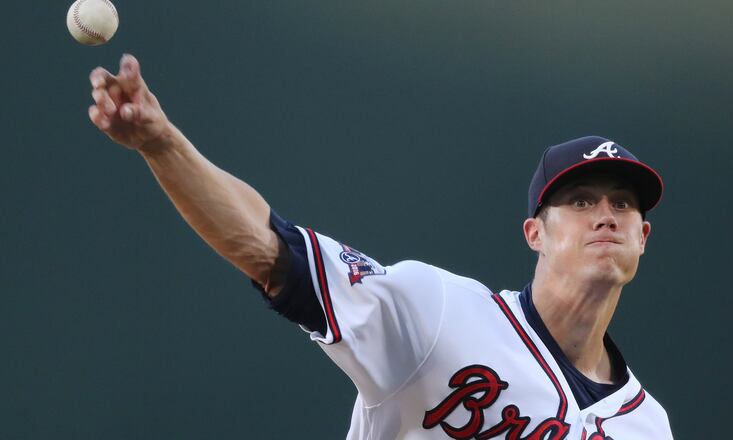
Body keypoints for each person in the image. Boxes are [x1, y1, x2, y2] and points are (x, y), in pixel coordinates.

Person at [88, 54, 673, 439]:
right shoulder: (438, 312)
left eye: (623, 204)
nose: (606, 216)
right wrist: (161, 145)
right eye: (580, 201)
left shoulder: (647, 425)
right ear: (534, 233)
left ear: (642, 238)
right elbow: (270, 251)